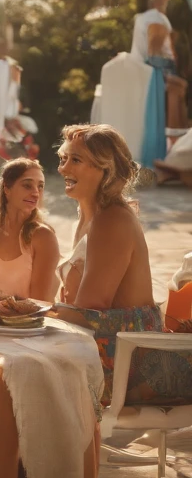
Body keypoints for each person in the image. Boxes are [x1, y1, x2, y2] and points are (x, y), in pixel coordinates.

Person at [53, 124, 191, 404]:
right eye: (63, 158)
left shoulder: (112, 220)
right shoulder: (88, 216)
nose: (63, 169)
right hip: (106, 350)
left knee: (20, 372)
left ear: (105, 170)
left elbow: (91, 310)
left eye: (75, 160)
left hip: (132, 365)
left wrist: (30, 314)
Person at [0, 158, 60, 300]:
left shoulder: (43, 236)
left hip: (29, 321)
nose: (36, 193)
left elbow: (39, 305)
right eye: (27, 186)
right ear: (7, 189)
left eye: (40, 186)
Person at [131, 0, 189, 130]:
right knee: (177, 90)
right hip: (159, 65)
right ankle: (177, 136)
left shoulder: (140, 18)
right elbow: (155, 45)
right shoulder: (158, 17)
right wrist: (162, 69)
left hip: (143, 68)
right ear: (160, 0)